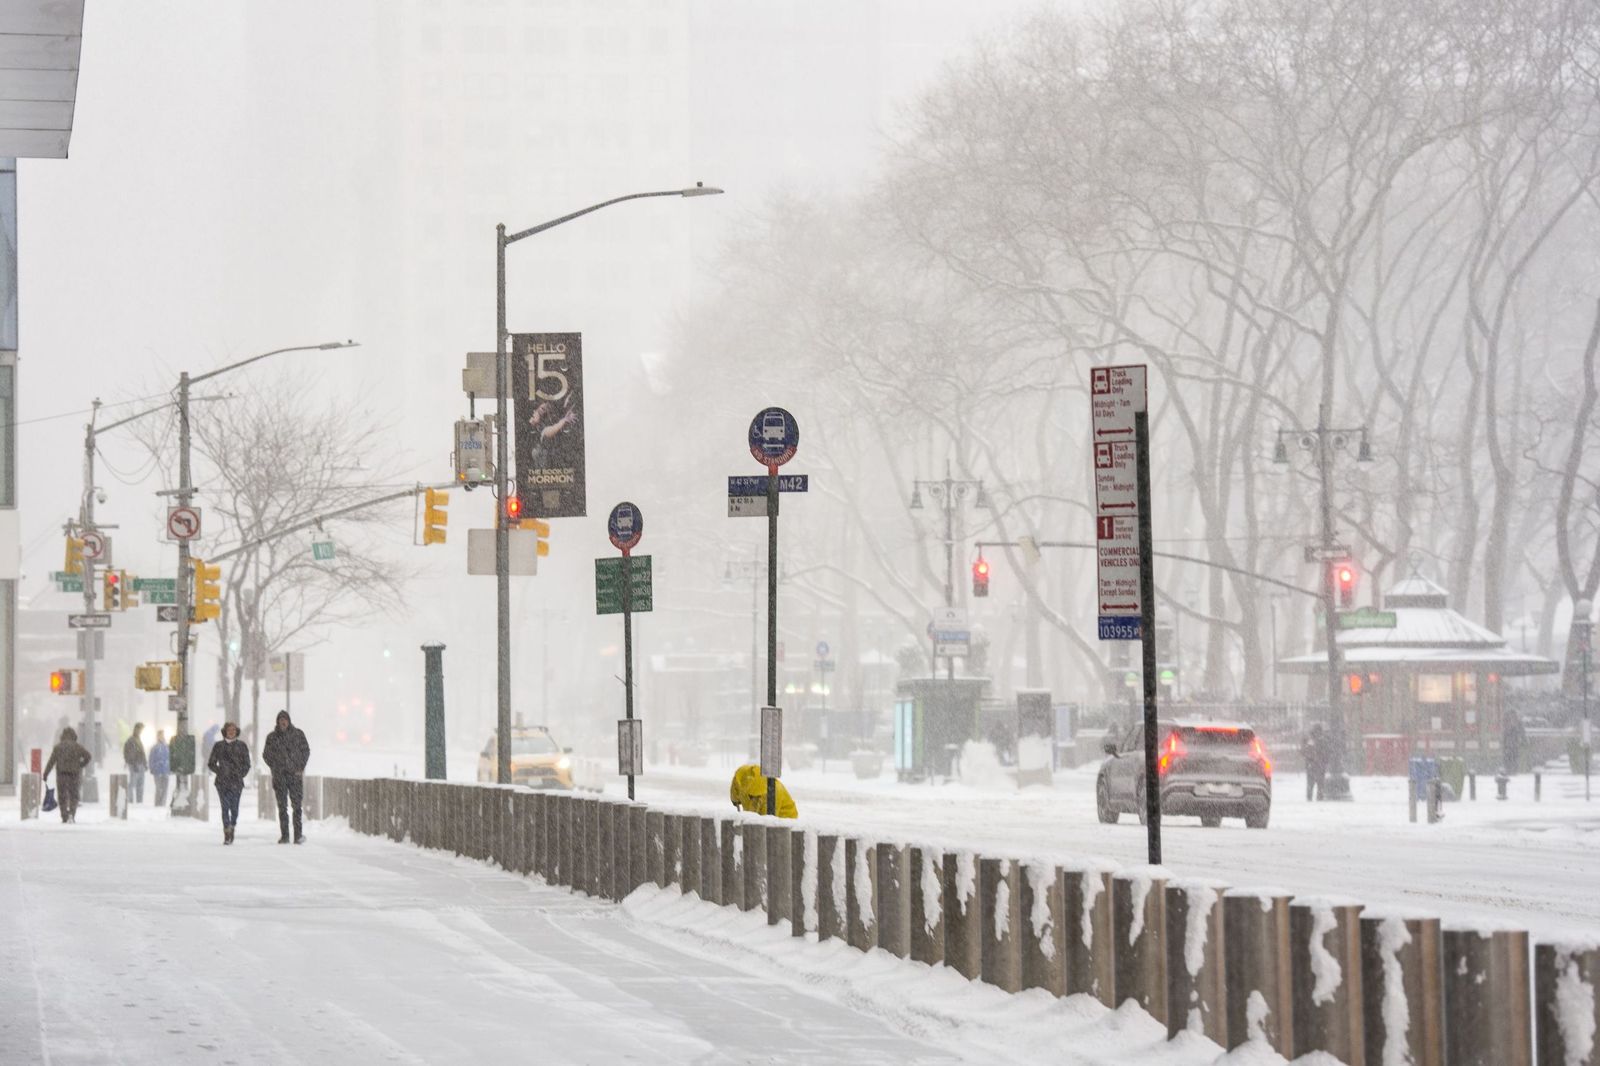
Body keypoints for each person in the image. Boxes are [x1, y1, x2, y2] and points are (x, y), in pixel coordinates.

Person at [262, 710, 311, 844]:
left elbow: (306, 750)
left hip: (295, 776)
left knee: (297, 806)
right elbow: (266, 754)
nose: (283, 722)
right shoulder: (272, 737)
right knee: (282, 807)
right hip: (279, 777)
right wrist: (275, 766)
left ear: (289, 721)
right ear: (277, 722)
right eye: (280, 719)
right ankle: (285, 836)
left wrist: (300, 766)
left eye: (285, 719)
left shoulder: (298, 735)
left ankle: (298, 835)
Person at [206, 722, 251, 845]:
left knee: (234, 808)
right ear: (224, 731)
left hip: (236, 782)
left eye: (233, 730)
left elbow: (247, 764)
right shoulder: (218, 746)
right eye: (229, 730)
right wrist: (220, 771)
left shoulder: (242, 746)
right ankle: (226, 831)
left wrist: (240, 773)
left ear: (237, 731)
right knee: (225, 807)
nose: (231, 732)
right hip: (222, 782)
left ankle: (232, 825)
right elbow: (211, 763)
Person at [42, 727, 92, 824]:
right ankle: (72, 814)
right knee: (74, 795)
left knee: (62, 796)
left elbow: (51, 762)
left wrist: (46, 773)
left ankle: (64, 815)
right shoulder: (77, 746)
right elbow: (88, 756)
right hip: (74, 774)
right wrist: (81, 765)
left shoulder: (58, 747)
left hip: (62, 774)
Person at [728, 763, 798, 818]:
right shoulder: (743, 778)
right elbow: (735, 788)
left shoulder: (773, 792)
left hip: (785, 824)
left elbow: (767, 821)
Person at [123, 722, 148, 804]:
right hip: (135, 765)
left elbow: (141, 753)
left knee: (140, 785)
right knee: (133, 784)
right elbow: (130, 754)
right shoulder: (131, 740)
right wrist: (133, 764)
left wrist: (144, 763)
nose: (141, 731)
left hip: (140, 764)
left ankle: (139, 801)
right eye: (140, 729)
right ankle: (130, 801)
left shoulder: (138, 739)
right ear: (136, 729)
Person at [1302, 724, 1328, 801]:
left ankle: (1311, 798)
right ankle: (1318, 798)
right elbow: (1326, 753)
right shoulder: (1322, 740)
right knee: (1319, 784)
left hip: (1312, 765)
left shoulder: (1310, 740)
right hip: (1317, 765)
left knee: (1312, 784)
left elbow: (1304, 752)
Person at [149, 729, 171, 807]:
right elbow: (151, 759)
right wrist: (152, 768)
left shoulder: (167, 747)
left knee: (164, 789)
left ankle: (162, 804)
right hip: (158, 771)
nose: (162, 737)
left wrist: (170, 769)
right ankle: (158, 804)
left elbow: (170, 758)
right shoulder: (155, 748)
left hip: (165, 771)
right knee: (159, 789)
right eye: (160, 735)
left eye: (162, 735)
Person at [1502, 710, 1526, 775]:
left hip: (1512, 744)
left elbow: (1522, 733)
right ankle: (1511, 770)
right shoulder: (1510, 723)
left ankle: (1512, 770)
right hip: (1511, 744)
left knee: (1512, 757)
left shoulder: (1513, 723)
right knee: (1510, 758)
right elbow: (1522, 733)